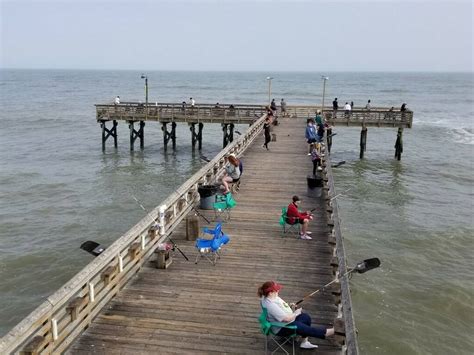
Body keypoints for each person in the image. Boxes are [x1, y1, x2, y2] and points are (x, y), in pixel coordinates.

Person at [258, 281, 335, 349]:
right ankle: (329, 332)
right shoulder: (270, 305)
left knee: (305, 317)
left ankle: (304, 342)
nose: (278, 290)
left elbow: (280, 307)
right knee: (301, 327)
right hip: (280, 328)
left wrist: (288, 306)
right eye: (276, 290)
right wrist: (296, 313)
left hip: (286, 322)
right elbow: (286, 319)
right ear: (270, 292)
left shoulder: (270, 297)